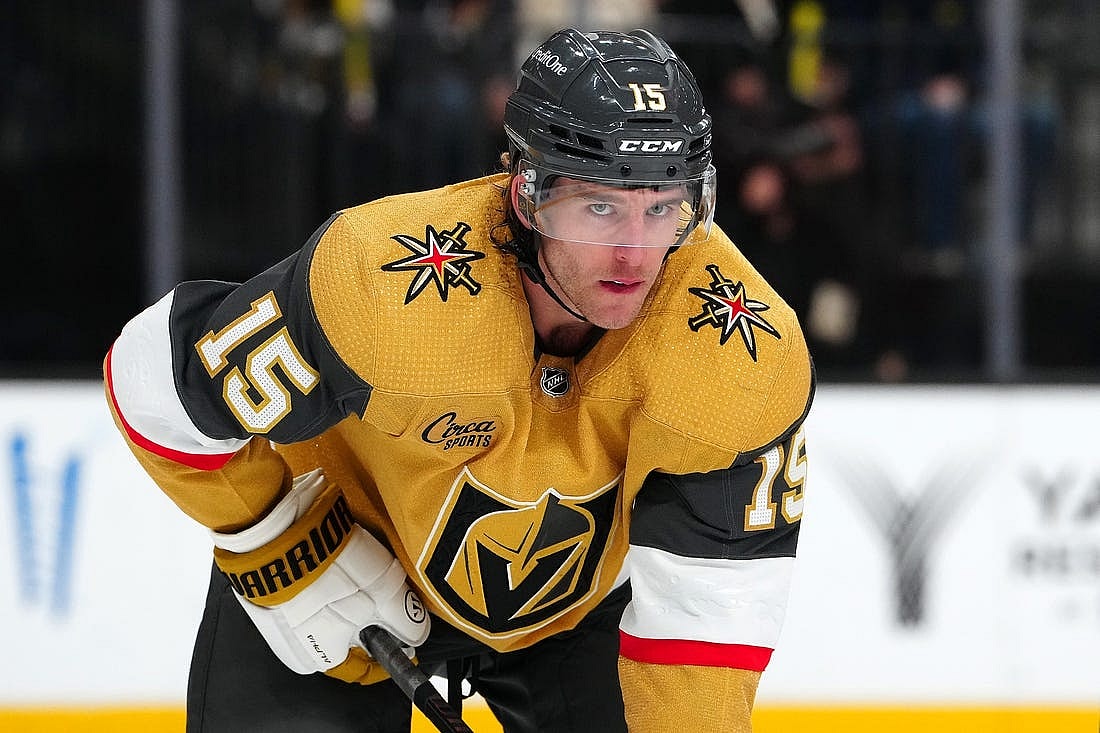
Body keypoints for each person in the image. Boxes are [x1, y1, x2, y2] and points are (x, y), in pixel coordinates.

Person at [104, 28, 814, 733]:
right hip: (344, 557)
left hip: (578, 613)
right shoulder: (381, 289)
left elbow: (702, 642)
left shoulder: (739, 350)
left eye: (662, 206)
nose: (635, 251)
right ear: (527, 193)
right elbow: (150, 377)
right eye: (601, 206)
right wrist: (279, 540)